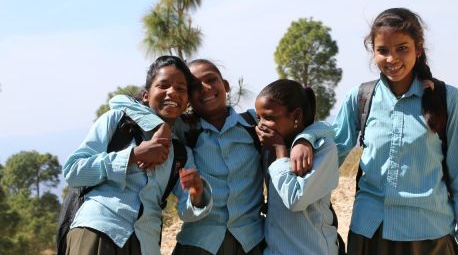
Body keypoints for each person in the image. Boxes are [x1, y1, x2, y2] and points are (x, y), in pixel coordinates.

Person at [110, 59, 321, 255]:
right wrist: (161, 126)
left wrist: (305, 139)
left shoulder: (253, 125)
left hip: (251, 242)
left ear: (226, 85)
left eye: (211, 80)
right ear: (188, 98)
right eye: (195, 86)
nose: (206, 88)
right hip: (199, 244)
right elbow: (119, 102)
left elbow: (309, 125)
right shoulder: (185, 129)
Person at [333, 8, 458, 255]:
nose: (392, 59)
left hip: (429, 237)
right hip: (369, 236)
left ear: (418, 49)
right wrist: (305, 140)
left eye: (402, 48)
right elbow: (330, 153)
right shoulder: (360, 98)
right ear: (373, 51)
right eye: (383, 51)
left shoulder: (447, 99)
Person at [63, 55, 213, 255]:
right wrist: (133, 155)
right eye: (163, 85)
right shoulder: (117, 121)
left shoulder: (181, 153)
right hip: (99, 230)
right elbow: (73, 172)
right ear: (145, 95)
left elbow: (188, 211)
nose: (172, 93)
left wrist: (196, 193)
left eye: (180, 88)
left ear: (186, 102)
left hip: (146, 244)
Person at [254, 79, 339, 255]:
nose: (260, 125)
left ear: (296, 117)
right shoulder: (270, 144)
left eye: (269, 117)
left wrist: (280, 150)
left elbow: (295, 200)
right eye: (258, 117)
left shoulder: (322, 148)